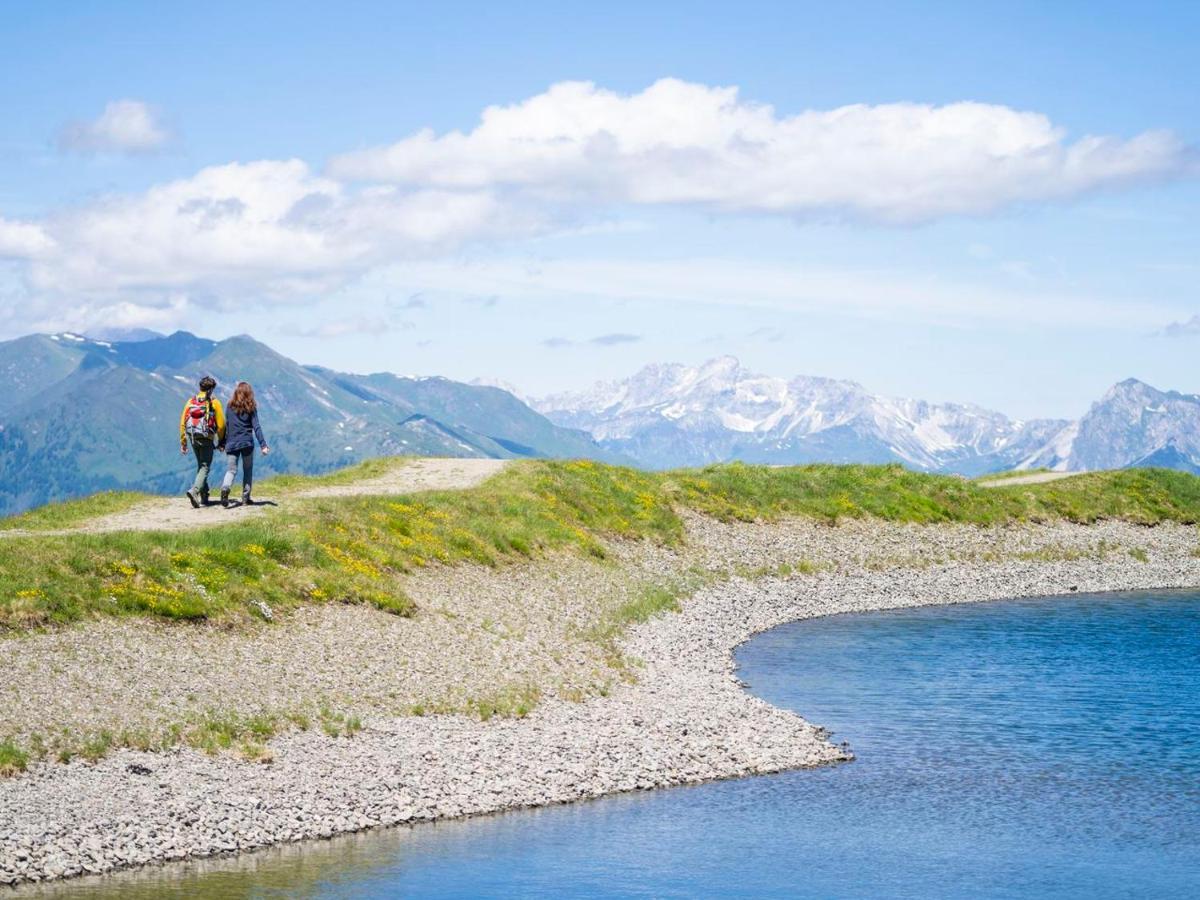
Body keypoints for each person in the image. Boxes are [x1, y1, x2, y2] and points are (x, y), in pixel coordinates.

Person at [220, 381, 270, 506]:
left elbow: (227, 425)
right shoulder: (251, 407)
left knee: (231, 470)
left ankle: (225, 488)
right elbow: (256, 426)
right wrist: (263, 445)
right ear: (249, 393)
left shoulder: (229, 406)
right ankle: (245, 498)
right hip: (247, 443)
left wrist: (222, 442)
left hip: (231, 443)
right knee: (247, 470)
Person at [179, 375, 226, 508]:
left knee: (201, 465)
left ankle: (204, 496)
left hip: (193, 437)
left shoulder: (191, 402)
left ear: (200, 387)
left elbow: (183, 423)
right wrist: (221, 440)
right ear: (211, 389)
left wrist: (183, 442)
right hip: (207, 438)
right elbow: (221, 425)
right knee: (205, 466)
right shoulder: (214, 402)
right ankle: (195, 491)